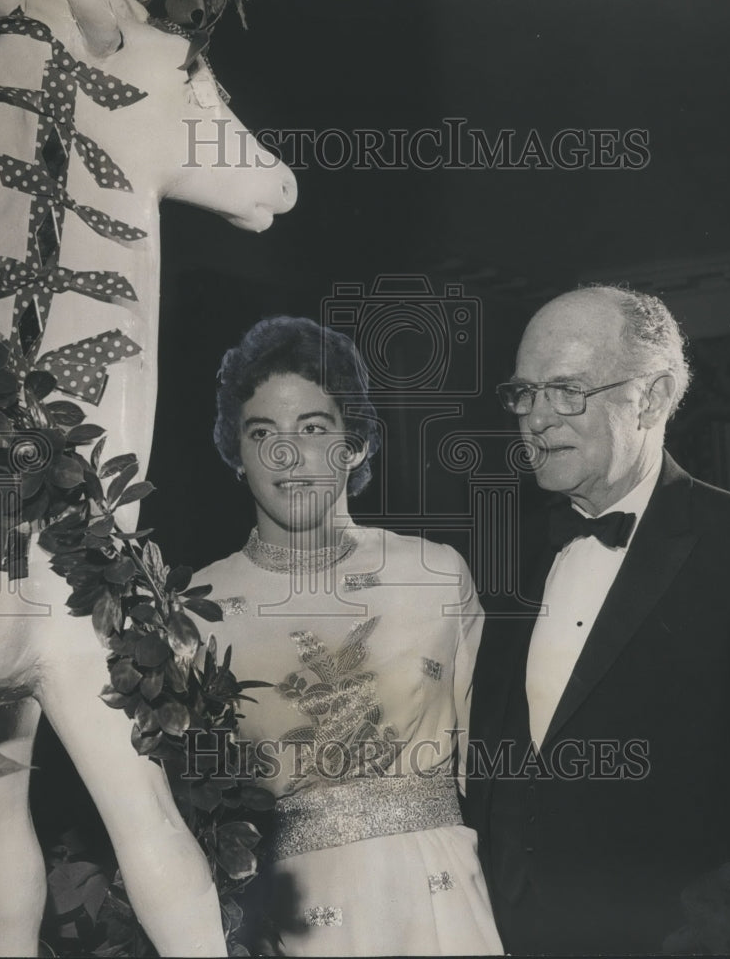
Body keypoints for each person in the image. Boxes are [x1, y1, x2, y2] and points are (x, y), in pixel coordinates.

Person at [465, 284, 730, 954]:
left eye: (567, 390)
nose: (536, 418)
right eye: (525, 393)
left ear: (652, 398)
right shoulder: (509, 551)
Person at [189, 316, 503, 956]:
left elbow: (489, 768)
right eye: (261, 433)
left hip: (442, 902)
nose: (286, 455)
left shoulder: (434, 573)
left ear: (354, 444)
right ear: (235, 452)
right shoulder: (198, 606)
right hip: (292, 919)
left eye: (313, 428)